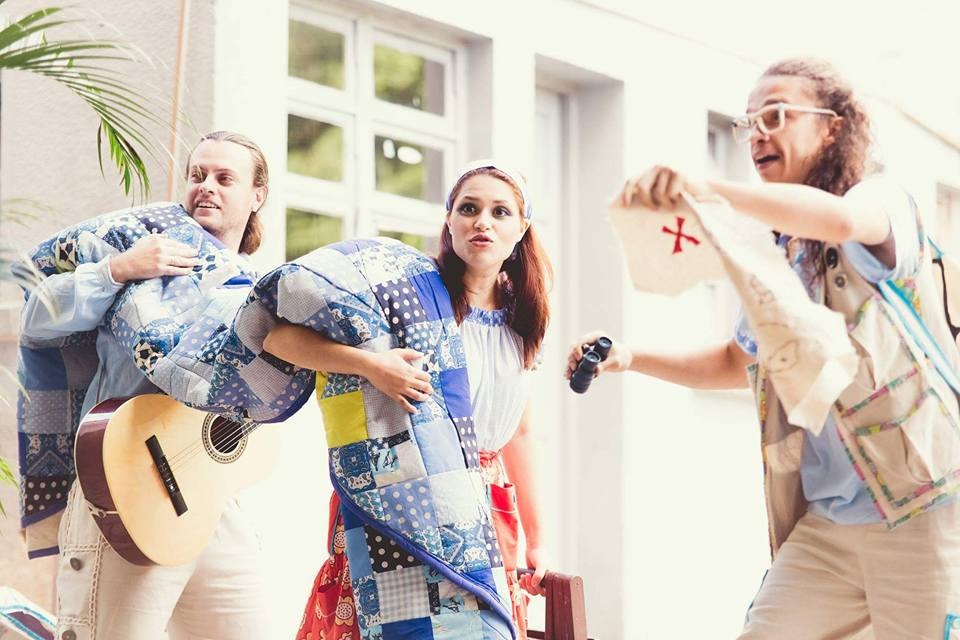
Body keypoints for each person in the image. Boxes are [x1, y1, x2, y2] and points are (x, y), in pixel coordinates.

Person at [568, 58, 960, 639]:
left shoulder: (879, 199)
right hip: (829, 524)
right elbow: (737, 360)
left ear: (832, 127)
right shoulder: (778, 249)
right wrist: (630, 357)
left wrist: (707, 191)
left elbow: (842, 222)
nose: (757, 134)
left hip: (925, 508)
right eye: (749, 123)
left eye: (775, 115)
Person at [263, 161, 553, 639]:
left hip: (486, 500)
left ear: (522, 228)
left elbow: (518, 432)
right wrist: (371, 365)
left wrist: (537, 540)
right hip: (402, 486)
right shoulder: (407, 294)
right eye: (469, 208)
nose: (482, 222)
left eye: (500, 212)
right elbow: (278, 338)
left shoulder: (524, 319)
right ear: (449, 221)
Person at [20, 131, 271, 640]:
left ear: (257, 196)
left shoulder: (258, 290)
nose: (206, 186)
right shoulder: (141, 251)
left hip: (213, 499)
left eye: (225, 178)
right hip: (124, 486)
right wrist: (117, 270)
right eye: (198, 175)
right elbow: (35, 318)